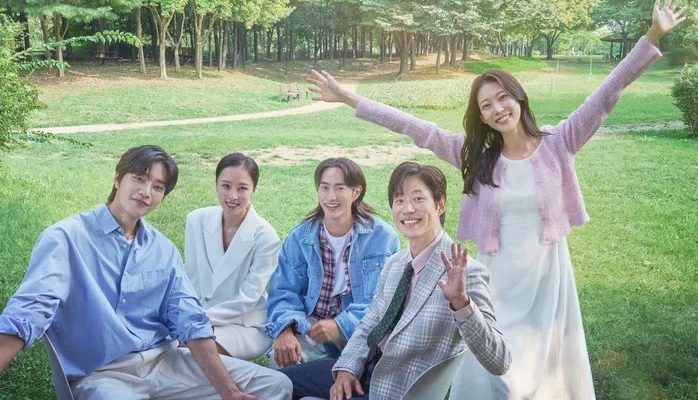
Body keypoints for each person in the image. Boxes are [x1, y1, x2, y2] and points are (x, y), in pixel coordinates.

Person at [305, 2, 687, 398]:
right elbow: (416, 128)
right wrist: (348, 98)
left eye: (502, 98)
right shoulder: (477, 158)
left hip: (547, 272)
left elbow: (606, 95)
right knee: (497, 370)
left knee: (545, 369)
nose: (497, 109)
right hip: (497, 275)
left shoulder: (560, 141)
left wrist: (652, 36)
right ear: (482, 117)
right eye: (486, 105)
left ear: (519, 98)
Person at [0, 145, 292, 400]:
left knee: (276, 385)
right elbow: (30, 310)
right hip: (102, 374)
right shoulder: (65, 238)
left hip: (165, 362)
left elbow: (191, 321)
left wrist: (229, 391)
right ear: (117, 178)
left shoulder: (163, 250)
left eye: (158, 186)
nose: (146, 191)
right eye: (139, 178)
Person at [280, 161, 511, 400]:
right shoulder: (395, 264)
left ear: (440, 205)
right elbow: (369, 325)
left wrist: (462, 304)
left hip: (394, 390)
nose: (407, 209)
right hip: (362, 372)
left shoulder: (467, 273)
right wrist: (347, 368)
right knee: (272, 384)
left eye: (418, 199)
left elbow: (499, 361)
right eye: (399, 200)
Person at [265, 158, 399, 369]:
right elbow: (284, 290)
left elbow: (383, 300)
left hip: (361, 327)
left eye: (340, 188)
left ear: (356, 192)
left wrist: (341, 325)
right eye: (325, 187)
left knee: (368, 370)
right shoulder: (300, 237)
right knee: (280, 361)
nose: (331, 197)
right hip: (312, 326)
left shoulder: (383, 238)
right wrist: (286, 329)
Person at [184, 153, 278, 361]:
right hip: (199, 316)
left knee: (194, 350)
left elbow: (248, 299)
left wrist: (199, 320)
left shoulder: (266, 236)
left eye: (242, 188)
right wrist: (185, 316)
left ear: (254, 189)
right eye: (226, 186)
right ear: (216, 185)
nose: (233, 195)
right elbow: (191, 276)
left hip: (246, 326)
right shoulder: (196, 220)